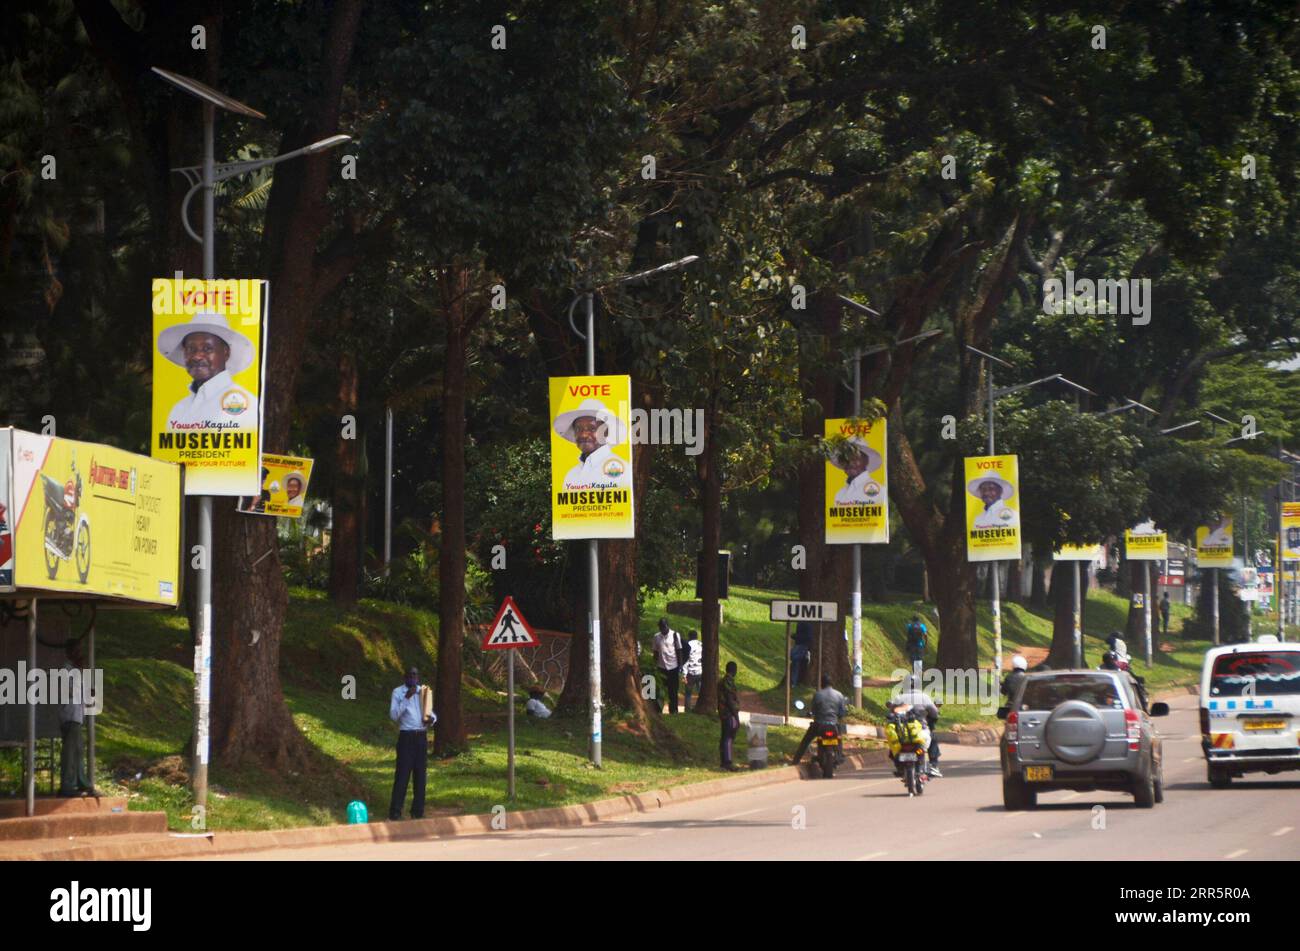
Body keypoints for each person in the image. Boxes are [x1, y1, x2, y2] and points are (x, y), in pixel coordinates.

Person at [158, 312, 259, 430]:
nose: (197, 356)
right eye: (191, 349)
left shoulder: (245, 405)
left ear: (226, 353)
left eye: (207, 349)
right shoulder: (179, 409)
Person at [552, 398, 631, 492]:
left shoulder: (621, 469)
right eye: (578, 429)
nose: (584, 434)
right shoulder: (571, 475)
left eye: (592, 429)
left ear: (605, 432)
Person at [388, 666, 434, 821]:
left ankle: (418, 811)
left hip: (421, 737)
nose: (413, 678)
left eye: (415, 675)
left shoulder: (424, 692)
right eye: (410, 675)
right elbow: (394, 715)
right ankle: (395, 812)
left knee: (420, 776)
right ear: (405, 677)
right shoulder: (398, 692)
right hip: (406, 737)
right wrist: (407, 697)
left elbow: (430, 712)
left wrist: (432, 719)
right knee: (402, 775)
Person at [893, 675, 942, 777]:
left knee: (893, 745)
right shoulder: (925, 697)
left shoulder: (899, 698)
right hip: (921, 730)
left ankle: (898, 766)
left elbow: (891, 713)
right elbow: (934, 713)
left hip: (903, 732)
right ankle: (933, 765)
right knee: (933, 739)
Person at [58, 642, 90, 797]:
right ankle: (67, 786)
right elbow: (66, 690)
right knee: (70, 752)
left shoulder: (77, 671)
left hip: (77, 716)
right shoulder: (66, 669)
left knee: (78, 751)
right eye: (77, 650)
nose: (80, 654)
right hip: (70, 715)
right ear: (70, 652)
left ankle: (81, 782)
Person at [792, 674, 847, 765]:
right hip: (833, 724)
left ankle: (796, 761)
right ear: (831, 683)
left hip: (819, 725)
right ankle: (839, 755)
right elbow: (842, 713)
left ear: (822, 684)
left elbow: (813, 710)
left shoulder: (818, 695)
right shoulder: (839, 695)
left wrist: (811, 714)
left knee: (806, 741)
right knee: (839, 738)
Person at [830, 437, 885, 506]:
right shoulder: (840, 494)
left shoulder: (878, 490)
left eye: (855, 458)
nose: (849, 463)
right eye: (845, 459)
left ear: (866, 461)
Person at [653, 618, 684, 714]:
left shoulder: (675, 635)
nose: (663, 629)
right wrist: (654, 665)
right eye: (661, 627)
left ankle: (673, 710)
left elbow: (679, 651)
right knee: (660, 691)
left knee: (673, 690)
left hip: (673, 667)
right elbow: (655, 652)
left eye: (664, 627)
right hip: (661, 667)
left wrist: (680, 665)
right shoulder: (656, 637)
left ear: (667, 626)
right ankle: (658, 710)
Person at [717, 661, 741, 770]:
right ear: (734, 670)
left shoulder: (722, 681)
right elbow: (730, 700)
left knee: (725, 737)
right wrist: (736, 716)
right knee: (728, 737)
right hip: (729, 713)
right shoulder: (728, 682)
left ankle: (723, 761)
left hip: (724, 712)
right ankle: (727, 762)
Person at [681, 630, 703, 712]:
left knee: (688, 694)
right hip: (700, 672)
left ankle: (687, 709)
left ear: (689, 637)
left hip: (690, 673)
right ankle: (700, 707)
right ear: (696, 636)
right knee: (701, 693)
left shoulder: (687, 645)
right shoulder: (701, 644)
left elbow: (686, 661)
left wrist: (684, 674)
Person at [790, 620, 813, 686]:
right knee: (796, 662)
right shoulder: (802, 622)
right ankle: (794, 681)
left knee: (795, 659)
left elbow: (808, 637)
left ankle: (794, 681)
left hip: (803, 645)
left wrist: (794, 636)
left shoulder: (806, 623)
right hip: (800, 645)